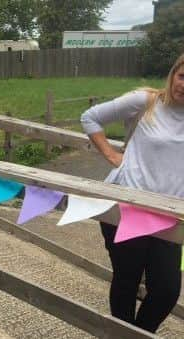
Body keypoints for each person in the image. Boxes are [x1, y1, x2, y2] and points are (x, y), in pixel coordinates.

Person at [80, 54, 184, 333]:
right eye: (182, 76)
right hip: (126, 206)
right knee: (127, 280)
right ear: (173, 74)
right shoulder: (146, 102)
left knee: (166, 290)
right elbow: (90, 117)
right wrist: (112, 155)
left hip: (170, 216)